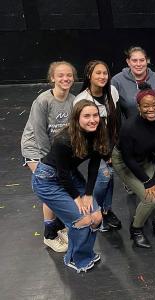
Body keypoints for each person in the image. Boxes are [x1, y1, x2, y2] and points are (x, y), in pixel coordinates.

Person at [32, 100, 107, 272]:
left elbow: (94, 166)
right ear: (76, 118)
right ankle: (75, 258)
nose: (92, 120)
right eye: (86, 116)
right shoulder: (63, 139)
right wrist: (77, 198)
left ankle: (86, 252)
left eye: (95, 115)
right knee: (82, 219)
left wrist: (88, 194)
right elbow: (62, 175)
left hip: (69, 176)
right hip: (48, 180)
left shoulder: (99, 132)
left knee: (96, 217)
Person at [21, 61, 77, 253]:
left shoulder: (73, 100)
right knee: (49, 187)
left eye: (69, 75)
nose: (65, 79)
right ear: (52, 78)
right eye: (60, 75)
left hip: (57, 151)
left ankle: (60, 226)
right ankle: (49, 235)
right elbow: (39, 134)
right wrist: (49, 163)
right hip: (37, 150)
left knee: (63, 186)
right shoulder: (43, 101)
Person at [112, 83, 155, 248]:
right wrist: (147, 181)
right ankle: (136, 230)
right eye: (146, 106)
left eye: (154, 105)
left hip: (146, 159)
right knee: (150, 199)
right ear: (138, 107)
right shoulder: (129, 128)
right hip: (125, 163)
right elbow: (128, 159)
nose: (151, 109)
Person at [74, 60, 122, 231]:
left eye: (105, 73)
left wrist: (114, 147)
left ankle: (106, 211)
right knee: (104, 176)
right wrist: (104, 153)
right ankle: (94, 210)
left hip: (111, 145)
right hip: (94, 147)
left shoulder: (112, 92)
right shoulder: (82, 99)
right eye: (98, 73)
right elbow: (84, 131)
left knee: (110, 178)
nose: (103, 76)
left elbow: (116, 121)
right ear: (89, 75)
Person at [111, 46, 155, 119]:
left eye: (142, 60)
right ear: (128, 62)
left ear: (147, 61)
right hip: (128, 128)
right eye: (134, 61)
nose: (138, 64)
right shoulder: (117, 81)